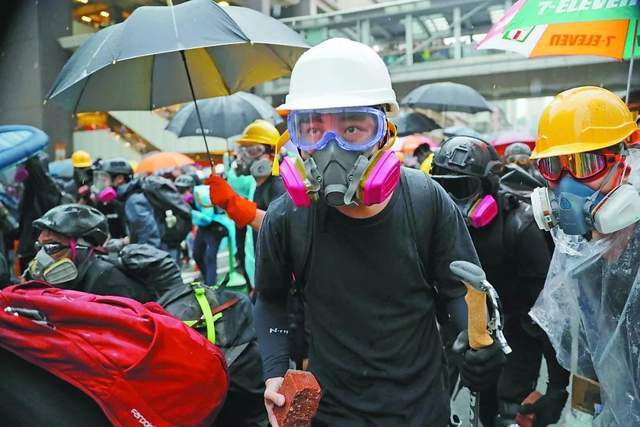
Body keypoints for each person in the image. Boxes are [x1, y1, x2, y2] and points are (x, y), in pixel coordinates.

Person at [253, 38, 505, 427]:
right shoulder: (286, 217)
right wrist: (274, 371)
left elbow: (460, 292)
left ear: (385, 133)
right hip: (329, 416)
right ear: (294, 139)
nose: (330, 147)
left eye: (353, 127)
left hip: (420, 413)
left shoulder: (425, 200)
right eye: (313, 129)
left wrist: (476, 345)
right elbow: (270, 298)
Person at [431, 136, 569, 426]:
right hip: (461, 327)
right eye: (442, 189)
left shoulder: (520, 228)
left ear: (488, 186)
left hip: (517, 328)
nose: (451, 202)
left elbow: (549, 315)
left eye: (461, 189)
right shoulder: (431, 229)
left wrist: (558, 386)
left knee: (508, 409)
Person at [527, 86, 640, 426]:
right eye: (553, 167)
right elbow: (590, 353)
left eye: (585, 164)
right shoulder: (577, 255)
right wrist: (581, 413)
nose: (566, 186)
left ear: (626, 165)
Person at [207, 119, 287, 286]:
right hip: (257, 278)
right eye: (242, 150)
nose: (244, 156)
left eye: (253, 150)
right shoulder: (253, 183)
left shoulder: (280, 186)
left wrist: (232, 203)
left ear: (273, 154)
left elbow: (280, 226)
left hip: (277, 283)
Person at [26, 204, 151, 302]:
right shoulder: (71, 280)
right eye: (40, 246)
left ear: (82, 248)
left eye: (51, 246)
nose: (41, 256)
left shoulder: (107, 279)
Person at [92, 158, 129, 239]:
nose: (101, 183)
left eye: (104, 179)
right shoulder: (103, 202)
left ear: (119, 179)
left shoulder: (130, 200)